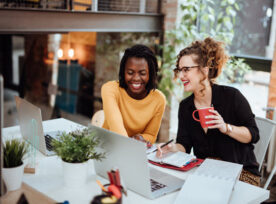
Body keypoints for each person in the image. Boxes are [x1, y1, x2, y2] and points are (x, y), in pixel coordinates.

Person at [157, 37, 261, 186]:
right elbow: (184, 146)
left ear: (204, 71)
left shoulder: (232, 97)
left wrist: (226, 128)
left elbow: (254, 135)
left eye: (186, 69)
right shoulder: (186, 107)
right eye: (179, 70)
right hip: (208, 173)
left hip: (242, 174)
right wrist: (171, 148)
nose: (180, 76)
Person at [101, 44, 166, 144]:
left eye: (142, 73)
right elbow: (116, 126)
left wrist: (140, 138)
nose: (136, 78)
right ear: (123, 72)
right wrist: (130, 144)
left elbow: (151, 135)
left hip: (134, 150)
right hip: (107, 146)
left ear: (151, 74)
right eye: (130, 72)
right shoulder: (110, 89)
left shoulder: (159, 99)